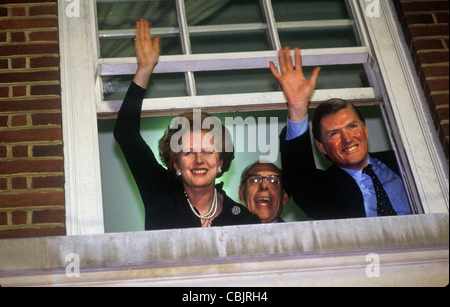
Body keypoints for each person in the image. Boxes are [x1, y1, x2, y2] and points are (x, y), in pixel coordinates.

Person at [114, 19, 260, 229]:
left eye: (208, 151)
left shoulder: (242, 220)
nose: (199, 160)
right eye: (189, 152)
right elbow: (126, 133)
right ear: (176, 164)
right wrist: (144, 69)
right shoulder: (160, 192)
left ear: (220, 162)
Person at [269, 46, 412, 220]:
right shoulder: (322, 190)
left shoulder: (404, 161)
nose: (348, 139)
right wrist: (298, 109)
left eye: (352, 127)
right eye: (334, 134)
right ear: (322, 147)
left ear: (365, 130)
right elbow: (299, 176)